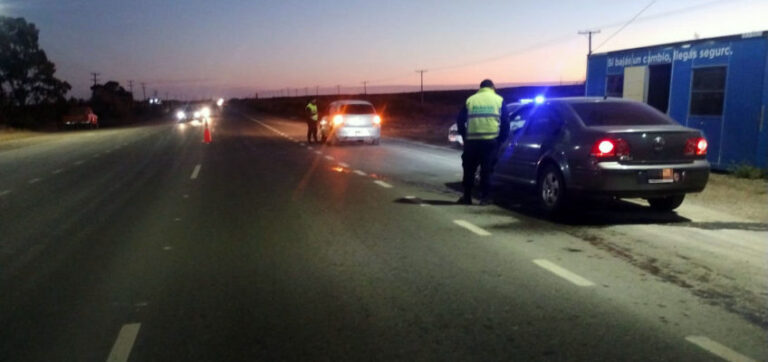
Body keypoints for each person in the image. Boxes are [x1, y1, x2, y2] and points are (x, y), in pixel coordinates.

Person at [456, 79, 510, 205]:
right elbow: (506, 123)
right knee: (487, 170)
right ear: (493, 88)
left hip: (472, 142)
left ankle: (467, 197)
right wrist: (501, 139)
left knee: (469, 169)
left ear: (480, 88)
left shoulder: (471, 100)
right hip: (490, 142)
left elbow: (460, 120)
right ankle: (485, 198)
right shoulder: (499, 100)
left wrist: (465, 136)